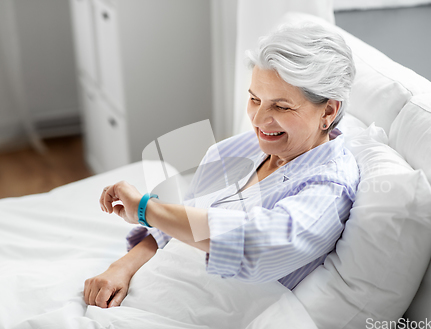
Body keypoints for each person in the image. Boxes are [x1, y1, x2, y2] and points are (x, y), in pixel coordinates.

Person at [83, 22, 359, 309]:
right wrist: (122, 267)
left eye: (281, 107)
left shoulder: (328, 188)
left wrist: (147, 209)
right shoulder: (237, 150)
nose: (258, 119)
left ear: (328, 110)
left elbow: (255, 245)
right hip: (144, 290)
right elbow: (179, 224)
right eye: (254, 99)